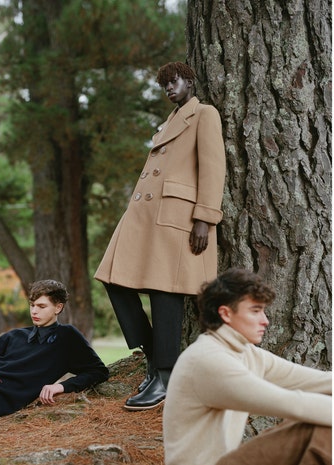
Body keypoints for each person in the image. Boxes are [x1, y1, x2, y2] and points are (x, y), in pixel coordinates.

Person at [94, 61, 226, 411]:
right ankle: (153, 356)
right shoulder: (170, 120)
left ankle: (166, 376)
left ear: (190, 80)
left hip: (177, 218)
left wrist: (204, 218)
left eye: (175, 81)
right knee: (112, 279)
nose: (169, 88)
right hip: (143, 218)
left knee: (165, 292)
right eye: (164, 84)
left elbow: (214, 168)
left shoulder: (204, 115)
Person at [163, 268, 332, 465]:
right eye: (255, 311)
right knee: (319, 429)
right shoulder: (207, 360)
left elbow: (322, 382)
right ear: (226, 313)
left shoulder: (247, 353)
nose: (265, 321)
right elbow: (292, 404)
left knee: (324, 416)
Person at [0, 280, 109, 426]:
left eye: (41, 306)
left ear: (58, 308)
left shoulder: (67, 337)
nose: (34, 311)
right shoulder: (15, 335)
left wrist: (60, 386)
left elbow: (98, 371)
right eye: (32, 305)